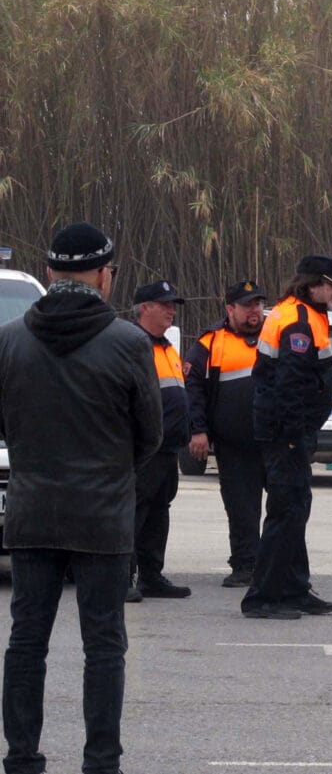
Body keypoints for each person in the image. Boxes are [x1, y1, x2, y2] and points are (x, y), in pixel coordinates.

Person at [0, 222, 162, 774]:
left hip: (31, 510)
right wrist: (113, 472)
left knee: (26, 642)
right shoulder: (129, 342)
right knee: (104, 645)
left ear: (49, 273)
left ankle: (21, 759)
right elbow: (150, 434)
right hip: (103, 514)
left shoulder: (10, 338)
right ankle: (101, 762)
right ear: (103, 275)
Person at [241, 256, 332, 620]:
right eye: (331, 284)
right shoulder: (297, 320)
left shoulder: (304, 314)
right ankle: (263, 597)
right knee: (286, 511)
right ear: (312, 284)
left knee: (295, 508)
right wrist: (292, 435)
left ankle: (295, 588)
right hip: (287, 433)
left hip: (293, 431)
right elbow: (289, 384)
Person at [185, 280, 268, 587]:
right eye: (247, 306)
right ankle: (245, 566)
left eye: (258, 305)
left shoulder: (275, 335)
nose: (254, 312)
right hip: (234, 444)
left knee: (287, 506)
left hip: (274, 440)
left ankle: (280, 566)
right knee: (241, 508)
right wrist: (199, 431)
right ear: (230, 309)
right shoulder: (210, 342)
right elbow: (192, 390)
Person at [128, 279, 192, 602]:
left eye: (173, 305)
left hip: (168, 448)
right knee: (134, 511)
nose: (171, 310)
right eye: (164, 304)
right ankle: (123, 577)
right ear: (145, 308)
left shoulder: (166, 346)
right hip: (143, 449)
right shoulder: (133, 345)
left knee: (158, 511)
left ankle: (151, 576)